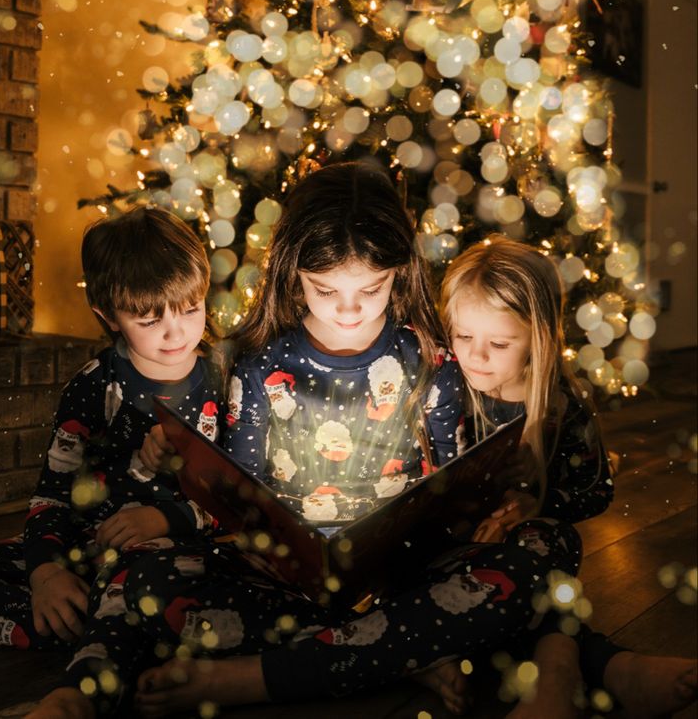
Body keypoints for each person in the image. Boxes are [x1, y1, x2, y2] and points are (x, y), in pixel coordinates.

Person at [120, 162, 586, 718]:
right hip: (290, 581)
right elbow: (244, 491)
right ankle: (406, 650)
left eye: (371, 287)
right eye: (325, 289)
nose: (349, 308)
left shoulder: (429, 357)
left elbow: (451, 480)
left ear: (399, 274)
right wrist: (255, 542)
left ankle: (271, 673)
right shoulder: (261, 363)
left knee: (542, 552)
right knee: (149, 576)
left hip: (407, 576)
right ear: (293, 274)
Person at [0, 206, 223, 715]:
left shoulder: (225, 381)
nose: (176, 333)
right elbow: (53, 493)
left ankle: (85, 685)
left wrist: (163, 515)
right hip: (90, 546)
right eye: (150, 319)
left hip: (173, 551)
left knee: (141, 584)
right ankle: (95, 624)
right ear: (108, 314)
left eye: (191, 309)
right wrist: (46, 576)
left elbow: (242, 499)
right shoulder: (93, 385)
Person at [439, 235, 697, 719]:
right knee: (492, 584)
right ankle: (595, 666)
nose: (476, 356)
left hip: (521, 553)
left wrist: (538, 499)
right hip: (445, 551)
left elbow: (595, 490)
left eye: (498, 343)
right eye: (462, 336)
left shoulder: (561, 404)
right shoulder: (443, 387)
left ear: (537, 338)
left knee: (550, 545)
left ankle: (552, 675)